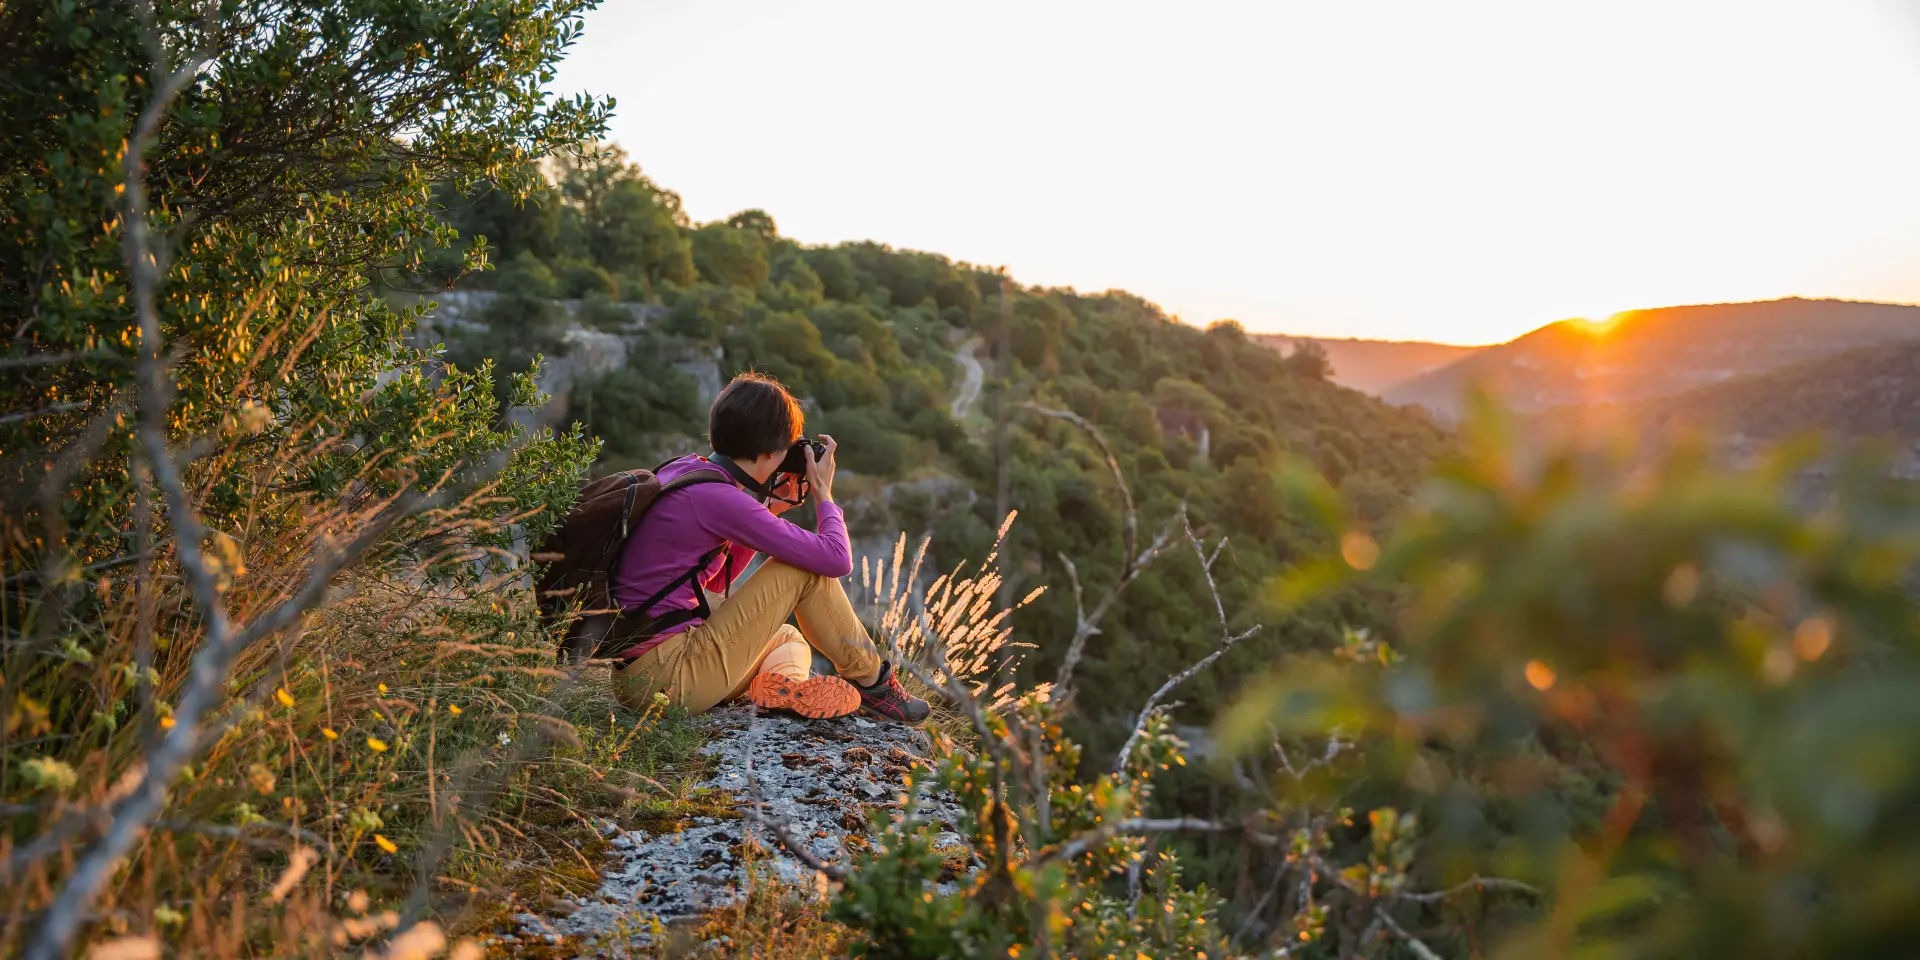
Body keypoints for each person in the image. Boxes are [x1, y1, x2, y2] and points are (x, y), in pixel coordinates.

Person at [607, 372, 931, 724]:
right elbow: (836, 558)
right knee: (800, 569)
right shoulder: (721, 498)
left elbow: (714, 583)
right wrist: (823, 493)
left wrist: (771, 509)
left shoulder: (687, 471)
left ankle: (786, 693)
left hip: (637, 677)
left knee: (787, 639)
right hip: (670, 680)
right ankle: (875, 684)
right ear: (770, 453)